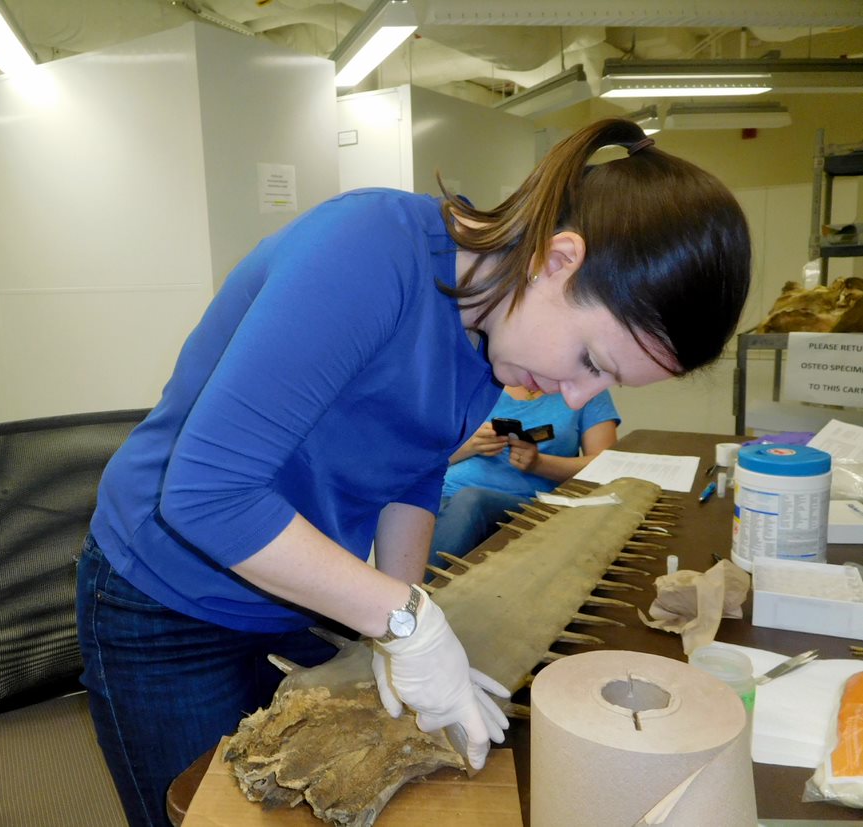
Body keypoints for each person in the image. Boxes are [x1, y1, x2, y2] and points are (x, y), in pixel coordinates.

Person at [75, 117, 751, 827]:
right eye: (591, 361)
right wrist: (404, 624)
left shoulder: (492, 332)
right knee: (204, 814)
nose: (577, 396)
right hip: (164, 594)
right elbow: (206, 495)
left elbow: (413, 470)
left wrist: (398, 614)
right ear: (558, 260)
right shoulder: (367, 252)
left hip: (288, 590)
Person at [429, 386, 619, 564]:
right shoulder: (477, 381)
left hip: (524, 504)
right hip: (445, 492)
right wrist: (469, 446)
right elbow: (422, 459)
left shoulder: (588, 391)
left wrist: (539, 464)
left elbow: (605, 466)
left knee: (471, 500)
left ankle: (414, 590)